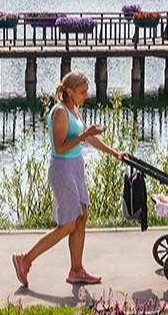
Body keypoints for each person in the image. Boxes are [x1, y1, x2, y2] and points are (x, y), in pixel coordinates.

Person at [13, 72, 126, 287]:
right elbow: (61, 146)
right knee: (68, 224)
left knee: (81, 218)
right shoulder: (60, 112)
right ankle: (25, 259)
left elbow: (89, 137)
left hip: (75, 168)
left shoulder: (74, 109)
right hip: (63, 169)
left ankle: (76, 270)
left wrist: (115, 153)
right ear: (69, 92)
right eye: (82, 92)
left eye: (86, 91)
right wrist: (84, 135)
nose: (86, 95)